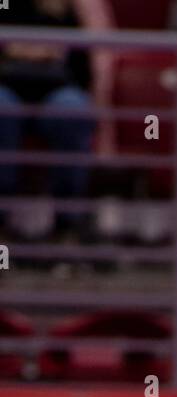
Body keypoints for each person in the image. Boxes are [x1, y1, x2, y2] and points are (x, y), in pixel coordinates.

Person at [0, 0, 114, 233]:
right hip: (7, 84)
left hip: (61, 85)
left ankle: (67, 221)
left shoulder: (82, 6)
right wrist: (13, 49)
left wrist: (54, 52)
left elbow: (94, 61)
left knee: (72, 110)